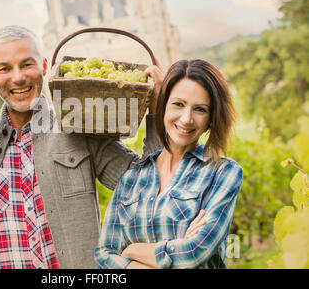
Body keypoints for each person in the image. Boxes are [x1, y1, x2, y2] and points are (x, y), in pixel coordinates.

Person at [0, 25, 165, 269]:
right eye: (5, 68)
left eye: (27, 64)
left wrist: (155, 113)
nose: (18, 77)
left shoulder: (78, 128)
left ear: (44, 66)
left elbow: (145, 188)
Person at [95, 59, 243, 269]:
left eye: (200, 109)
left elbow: (193, 252)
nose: (186, 119)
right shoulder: (131, 179)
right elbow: (103, 256)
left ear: (211, 118)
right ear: (163, 106)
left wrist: (131, 251)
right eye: (178, 104)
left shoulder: (223, 173)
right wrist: (173, 249)